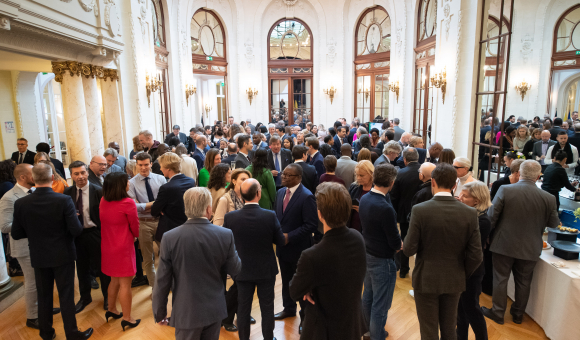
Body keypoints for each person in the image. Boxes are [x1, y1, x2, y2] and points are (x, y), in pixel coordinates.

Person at [11, 163, 93, 340]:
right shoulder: (63, 200)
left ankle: (46, 333)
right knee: (66, 295)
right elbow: (76, 230)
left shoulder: (21, 203)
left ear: (33, 179)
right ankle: (71, 333)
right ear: (53, 178)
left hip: (39, 255)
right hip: (63, 254)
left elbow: (16, 234)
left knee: (44, 295)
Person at [403, 163, 483, 340]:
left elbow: (408, 249)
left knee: (429, 330)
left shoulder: (420, 210)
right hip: (454, 279)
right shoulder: (470, 213)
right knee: (449, 329)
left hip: (426, 279)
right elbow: (476, 255)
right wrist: (461, 271)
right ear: (455, 185)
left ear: (432, 182)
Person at [153, 187, 241, 340]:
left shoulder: (169, 238)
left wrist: (159, 312)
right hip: (215, 309)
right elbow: (236, 269)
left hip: (186, 311)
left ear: (186, 209)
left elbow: (162, 280)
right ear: (208, 209)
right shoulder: (225, 235)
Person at [483, 160, 560, 325]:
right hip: (531, 246)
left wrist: (486, 237)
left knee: (500, 278)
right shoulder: (549, 197)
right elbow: (554, 224)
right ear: (539, 176)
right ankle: (518, 315)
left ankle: (498, 313)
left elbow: (491, 217)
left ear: (520, 173)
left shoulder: (505, 189)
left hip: (503, 244)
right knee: (524, 281)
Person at [289, 182, 366, 339]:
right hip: (351, 323)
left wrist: (308, 287)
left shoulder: (312, 256)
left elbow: (294, 291)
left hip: (325, 330)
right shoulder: (358, 238)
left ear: (320, 214)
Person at [0, 164, 62, 329]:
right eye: (32, 173)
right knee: (32, 282)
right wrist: (32, 223)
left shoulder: (34, 192)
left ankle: (43, 309)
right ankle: (32, 316)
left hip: (40, 246)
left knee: (43, 281)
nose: (36, 175)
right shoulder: (9, 197)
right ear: (22, 177)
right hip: (24, 247)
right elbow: (4, 226)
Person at [223, 179, 285, 340]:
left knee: (243, 308)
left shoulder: (230, 218)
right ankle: (268, 337)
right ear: (258, 194)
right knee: (267, 307)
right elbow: (280, 241)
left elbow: (226, 244)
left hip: (241, 270)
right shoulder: (270, 216)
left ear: (243, 196)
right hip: (266, 269)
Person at [273, 164, 318, 334]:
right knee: (286, 281)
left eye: (288, 175)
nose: (283, 177)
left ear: (298, 177)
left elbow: (311, 225)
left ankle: (305, 316)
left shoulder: (306, 197)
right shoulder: (279, 193)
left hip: (299, 249)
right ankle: (288, 308)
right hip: (283, 249)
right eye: (283, 174)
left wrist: (289, 236)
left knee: (301, 284)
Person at [359, 164, 402, 340]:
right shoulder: (385, 208)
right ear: (391, 183)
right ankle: (377, 335)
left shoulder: (365, 198)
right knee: (381, 305)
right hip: (383, 260)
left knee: (368, 296)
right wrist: (400, 244)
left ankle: (369, 332)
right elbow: (394, 241)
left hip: (367, 253)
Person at [63, 161, 111, 314]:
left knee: (102, 268)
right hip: (77, 236)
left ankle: (108, 297)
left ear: (87, 173)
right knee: (82, 268)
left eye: (83, 172)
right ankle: (85, 298)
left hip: (95, 233)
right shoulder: (67, 193)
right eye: (76, 174)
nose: (80, 176)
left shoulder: (99, 191)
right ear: (71, 176)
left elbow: (106, 217)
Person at [99, 172, 141, 330]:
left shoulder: (103, 200)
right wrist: (137, 238)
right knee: (125, 284)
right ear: (120, 185)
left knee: (114, 280)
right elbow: (135, 226)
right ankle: (127, 318)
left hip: (108, 245)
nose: (129, 184)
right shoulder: (128, 203)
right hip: (123, 246)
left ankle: (111, 309)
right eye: (126, 182)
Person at [456, 181, 492, 340]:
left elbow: (467, 245)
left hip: (472, 271)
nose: (460, 198)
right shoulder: (470, 215)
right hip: (461, 269)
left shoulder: (483, 221)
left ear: (476, 200)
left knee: (471, 309)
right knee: (460, 310)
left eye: (465, 196)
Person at [127, 152, 166, 288]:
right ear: (136, 165)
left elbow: (164, 202)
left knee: (165, 255)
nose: (143, 168)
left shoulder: (160, 179)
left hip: (161, 221)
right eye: (140, 165)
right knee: (148, 259)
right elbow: (133, 207)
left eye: (146, 165)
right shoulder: (131, 183)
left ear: (151, 164)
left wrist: (144, 206)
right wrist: (154, 205)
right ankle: (154, 287)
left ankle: (165, 284)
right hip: (143, 223)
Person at [390, 148, 422, 278]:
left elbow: (394, 197)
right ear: (418, 158)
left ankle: (403, 269)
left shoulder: (400, 173)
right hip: (424, 213)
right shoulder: (427, 172)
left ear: (404, 159)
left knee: (404, 240)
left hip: (404, 213)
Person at [151, 152, 196, 242]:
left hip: (171, 231)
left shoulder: (166, 188)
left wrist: (162, 209)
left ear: (168, 168)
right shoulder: (191, 181)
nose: (160, 169)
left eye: (161, 166)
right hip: (189, 228)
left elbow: (154, 211)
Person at [348, 160, 374, 233]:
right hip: (353, 228)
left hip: (368, 231)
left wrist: (363, 210)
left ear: (371, 174)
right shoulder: (354, 187)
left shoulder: (377, 189)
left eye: (361, 175)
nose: (358, 178)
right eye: (357, 175)